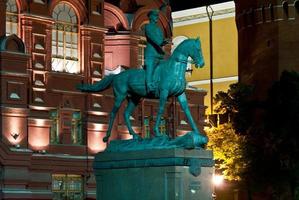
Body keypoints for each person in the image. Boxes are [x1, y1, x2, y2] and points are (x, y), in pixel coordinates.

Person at [144, 9, 170, 93]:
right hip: (151, 53)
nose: (157, 17)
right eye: (155, 16)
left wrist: (164, 41)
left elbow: (161, 39)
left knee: (166, 68)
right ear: (150, 17)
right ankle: (149, 86)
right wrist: (161, 42)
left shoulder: (159, 29)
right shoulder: (147, 27)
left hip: (159, 54)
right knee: (150, 68)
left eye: (157, 16)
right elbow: (152, 38)